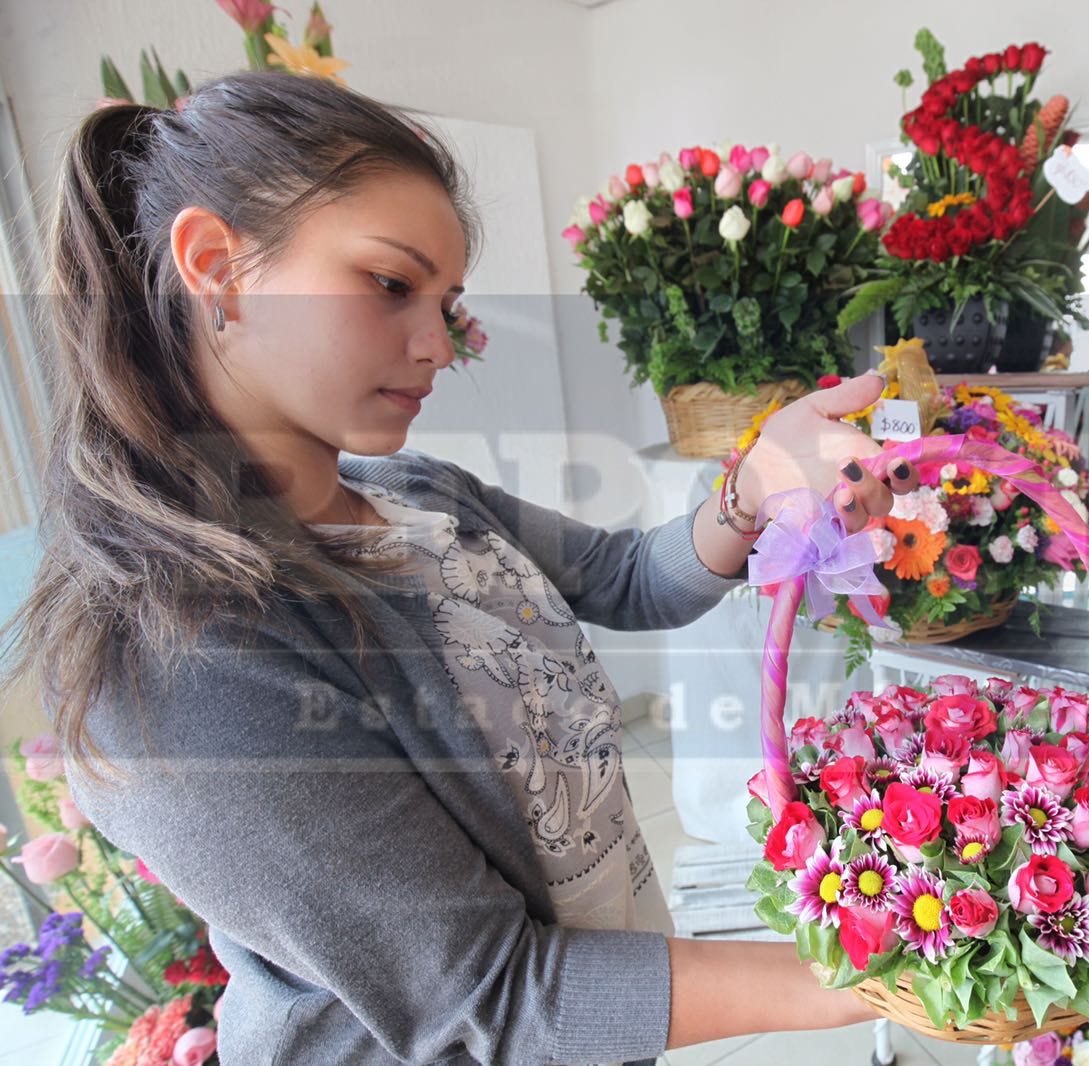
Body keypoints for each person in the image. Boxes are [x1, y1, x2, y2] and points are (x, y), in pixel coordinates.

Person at [2, 72, 914, 1065]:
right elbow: (490, 995)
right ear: (217, 269)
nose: (438, 346)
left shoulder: (417, 491)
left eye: (447, 301)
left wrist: (756, 484)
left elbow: (625, 577)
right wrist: (880, 973)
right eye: (390, 284)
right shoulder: (182, 655)